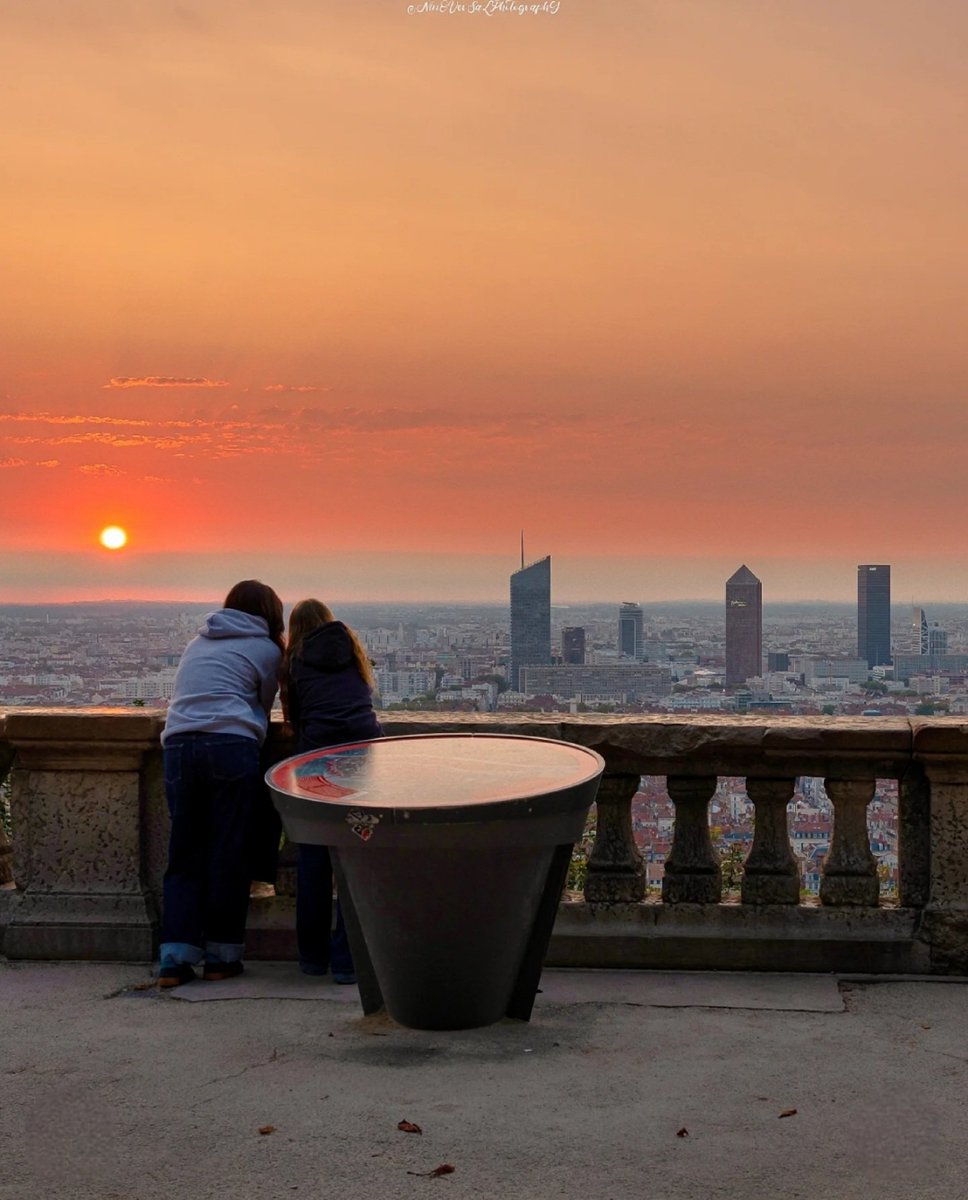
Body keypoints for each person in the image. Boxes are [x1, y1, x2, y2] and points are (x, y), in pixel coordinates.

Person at [158, 580, 285, 988]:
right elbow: (264, 707)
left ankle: (174, 959)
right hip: (230, 744)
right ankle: (221, 956)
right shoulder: (266, 649)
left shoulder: (197, 643)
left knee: (184, 853)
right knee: (229, 851)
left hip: (179, 745)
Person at [281, 599, 382, 981]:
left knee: (314, 857)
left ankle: (312, 958)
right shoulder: (352, 654)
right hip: (360, 756)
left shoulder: (295, 661)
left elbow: (295, 719)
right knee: (354, 856)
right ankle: (347, 961)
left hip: (316, 762)